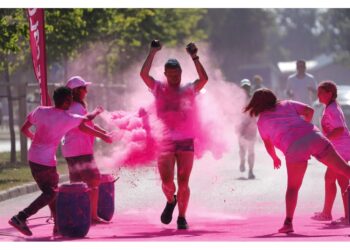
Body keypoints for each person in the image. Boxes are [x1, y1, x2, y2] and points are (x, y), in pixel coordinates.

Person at [8, 87, 112, 237]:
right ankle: (21, 217)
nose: (71, 102)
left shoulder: (40, 111)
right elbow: (87, 118)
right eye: (70, 99)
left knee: (51, 192)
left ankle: (58, 226)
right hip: (46, 162)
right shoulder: (67, 118)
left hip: (33, 158)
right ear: (65, 102)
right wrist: (96, 112)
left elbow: (24, 128)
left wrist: (34, 139)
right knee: (51, 193)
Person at [244, 88, 350, 234]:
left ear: (256, 104)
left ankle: (288, 223)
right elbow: (309, 111)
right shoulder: (287, 104)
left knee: (293, 188)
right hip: (314, 136)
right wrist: (305, 127)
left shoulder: (262, 121)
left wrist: (275, 158)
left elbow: (268, 144)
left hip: (294, 148)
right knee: (345, 171)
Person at [140, 40, 208, 229]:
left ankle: (182, 217)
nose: (174, 77)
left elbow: (204, 80)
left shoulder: (188, 89)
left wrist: (194, 57)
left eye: (176, 73)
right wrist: (152, 52)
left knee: (184, 181)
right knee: (167, 182)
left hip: (186, 140)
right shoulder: (159, 89)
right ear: (165, 75)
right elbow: (143, 74)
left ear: (181, 73)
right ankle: (171, 201)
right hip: (165, 141)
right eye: (170, 74)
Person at [62, 76, 110, 224]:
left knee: (76, 184)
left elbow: (89, 123)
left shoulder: (74, 107)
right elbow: (83, 127)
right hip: (81, 150)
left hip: (71, 150)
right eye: (84, 88)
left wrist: (104, 133)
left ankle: (77, 215)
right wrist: (103, 136)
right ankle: (93, 217)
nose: (86, 91)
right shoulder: (77, 107)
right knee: (93, 181)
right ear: (77, 91)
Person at [311, 81, 350, 225]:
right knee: (341, 181)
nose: (318, 95)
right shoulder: (331, 107)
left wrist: (324, 139)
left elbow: (339, 129)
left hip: (341, 149)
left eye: (320, 92)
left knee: (331, 179)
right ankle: (345, 216)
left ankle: (327, 213)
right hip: (342, 147)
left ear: (329, 93)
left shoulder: (332, 109)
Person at [237, 79, 257, 179]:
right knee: (242, 149)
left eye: (247, 87)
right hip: (242, 126)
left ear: (250, 88)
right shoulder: (237, 99)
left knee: (251, 150)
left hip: (252, 127)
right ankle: (242, 161)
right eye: (244, 87)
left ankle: (251, 171)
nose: (245, 89)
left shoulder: (254, 99)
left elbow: (258, 112)